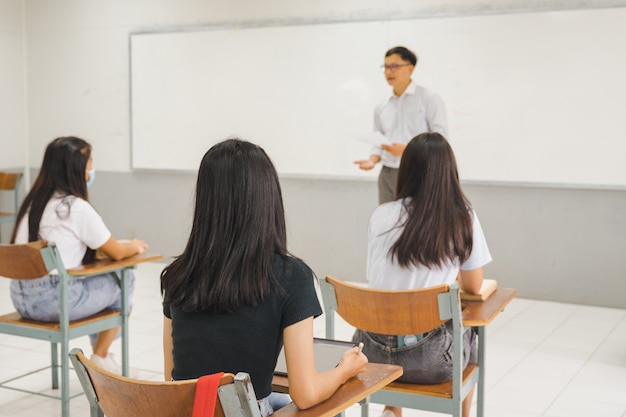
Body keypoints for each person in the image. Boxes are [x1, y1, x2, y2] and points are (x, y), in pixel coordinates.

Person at [161, 138, 367, 416]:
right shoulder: (291, 277)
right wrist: (345, 369)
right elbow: (306, 394)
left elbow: (170, 380)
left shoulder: (177, 275)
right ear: (267, 199)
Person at [352, 132, 492, 417]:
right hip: (431, 361)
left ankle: (392, 409)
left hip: (371, 354)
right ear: (448, 172)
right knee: (472, 331)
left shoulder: (381, 215)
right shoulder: (462, 215)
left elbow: (377, 279)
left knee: (396, 314)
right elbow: (474, 285)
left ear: (407, 170)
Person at [9, 136, 148, 375]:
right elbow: (116, 251)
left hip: (20, 299)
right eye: (89, 164)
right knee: (124, 280)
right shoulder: (75, 207)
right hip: (54, 302)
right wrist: (134, 245)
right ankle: (101, 357)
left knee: (103, 283)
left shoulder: (32, 203)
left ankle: (101, 356)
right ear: (75, 168)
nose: (91, 171)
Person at [354, 46, 448, 204]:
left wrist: (406, 149)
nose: (388, 71)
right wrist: (372, 160)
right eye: (385, 66)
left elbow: (441, 139)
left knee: (416, 223)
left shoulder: (428, 99)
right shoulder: (382, 105)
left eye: (394, 66)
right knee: (387, 222)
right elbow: (379, 140)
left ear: (410, 68)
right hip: (388, 173)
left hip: (419, 171)